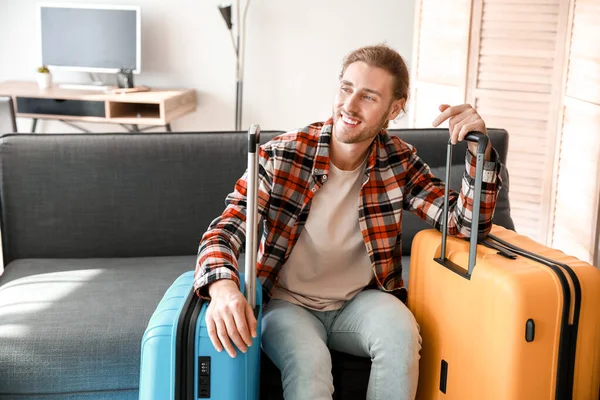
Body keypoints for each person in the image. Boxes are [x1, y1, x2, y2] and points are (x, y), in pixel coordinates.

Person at [194, 44, 501, 400]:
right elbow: (225, 228)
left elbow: (463, 225)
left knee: (401, 332)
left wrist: (480, 151)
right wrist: (223, 288)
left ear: (394, 108)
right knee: (310, 361)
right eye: (346, 88)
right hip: (287, 303)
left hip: (359, 302)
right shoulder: (282, 155)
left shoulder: (399, 160)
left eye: (368, 97)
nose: (350, 106)